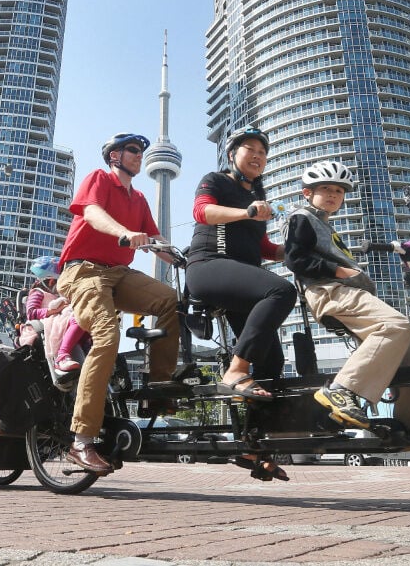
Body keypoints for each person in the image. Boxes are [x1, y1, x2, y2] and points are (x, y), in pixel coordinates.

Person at [55, 132, 181, 475]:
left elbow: (157, 241)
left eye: (141, 151)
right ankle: (82, 440)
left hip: (119, 273)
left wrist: (186, 259)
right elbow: (93, 214)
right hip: (83, 271)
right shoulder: (98, 179)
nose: (139, 155)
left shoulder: (139, 199)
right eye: (132, 150)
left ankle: (157, 387)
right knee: (108, 337)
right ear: (114, 155)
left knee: (172, 300)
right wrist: (123, 233)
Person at [283, 160, 410, 434]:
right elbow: (295, 260)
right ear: (307, 193)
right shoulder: (300, 218)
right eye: (325, 188)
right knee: (396, 325)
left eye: (339, 191)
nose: (333, 195)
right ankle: (342, 390)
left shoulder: (324, 225)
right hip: (330, 291)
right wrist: (337, 270)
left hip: (348, 291)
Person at [185, 127, 295, 400]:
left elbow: (264, 247)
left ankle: (261, 437)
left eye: (262, 152)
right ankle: (236, 370)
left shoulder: (255, 199)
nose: (257, 155)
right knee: (281, 291)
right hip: (208, 266)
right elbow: (203, 211)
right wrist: (246, 213)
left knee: (271, 363)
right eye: (250, 149)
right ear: (232, 154)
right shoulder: (216, 181)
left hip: (241, 280)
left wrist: (293, 251)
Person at [25, 256, 89, 372]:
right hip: (45, 324)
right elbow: (31, 313)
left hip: (58, 320)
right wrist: (54, 311)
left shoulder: (58, 297)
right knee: (79, 317)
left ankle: (87, 350)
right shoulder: (38, 292)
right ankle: (62, 356)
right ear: (51, 281)